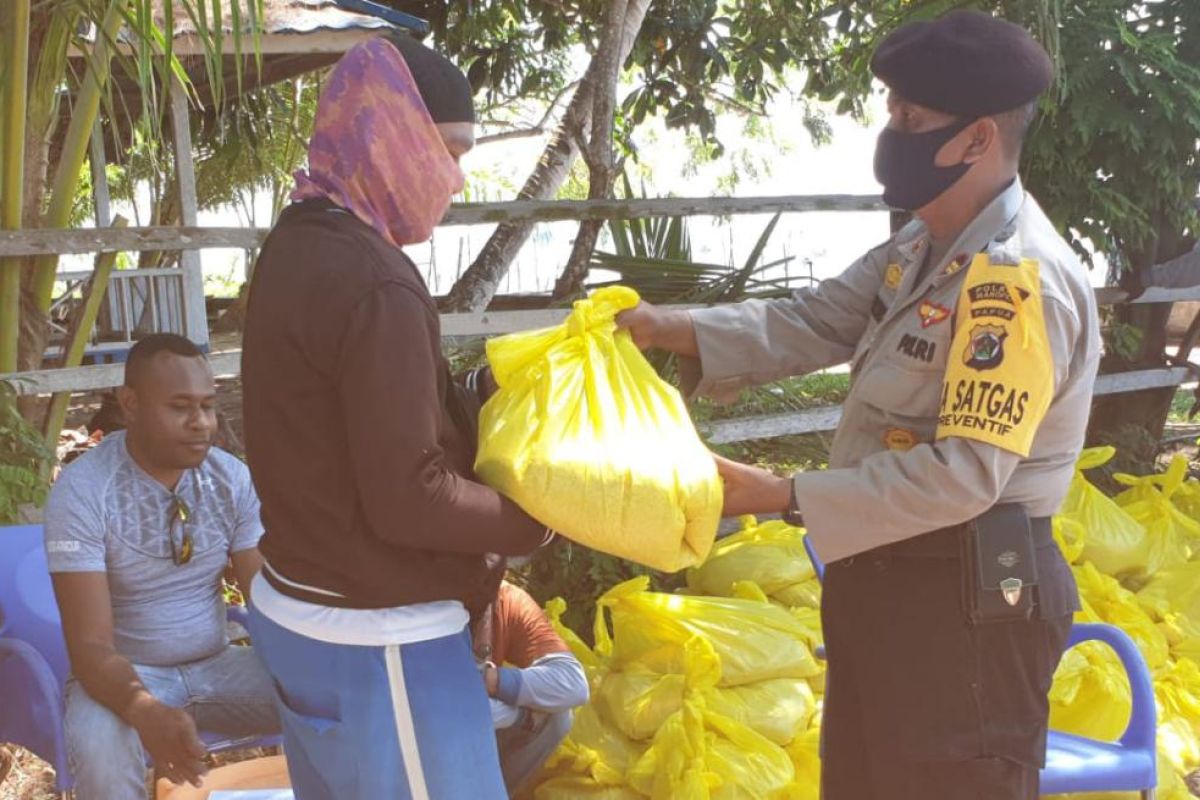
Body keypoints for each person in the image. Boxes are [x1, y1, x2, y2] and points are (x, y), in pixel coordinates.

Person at [620, 11, 1098, 799]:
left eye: (910, 117)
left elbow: (964, 475)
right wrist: (661, 326)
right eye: (890, 110)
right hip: (889, 577)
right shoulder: (923, 243)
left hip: (970, 594)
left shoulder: (1014, 280)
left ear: (977, 139)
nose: (890, 131)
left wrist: (782, 495)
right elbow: (813, 320)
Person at [240, 33, 553, 800]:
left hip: (296, 606)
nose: (453, 178)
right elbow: (410, 494)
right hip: (379, 635)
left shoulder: (296, 240)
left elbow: (339, 421)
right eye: (444, 151)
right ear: (385, 136)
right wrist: (537, 521)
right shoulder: (378, 280)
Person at [44, 333, 279, 799]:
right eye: (180, 407)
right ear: (129, 404)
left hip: (221, 668)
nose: (202, 424)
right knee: (101, 751)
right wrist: (146, 710)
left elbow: (266, 601)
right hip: (123, 678)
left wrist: (321, 666)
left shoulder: (229, 478)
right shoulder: (84, 491)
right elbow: (89, 647)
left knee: (339, 697)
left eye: (208, 406)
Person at [473, 580, 589, 795]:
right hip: (409, 740)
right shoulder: (411, 599)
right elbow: (428, 710)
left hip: (472, 722)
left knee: (556, 716)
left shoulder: (505, 599)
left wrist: (491, 680)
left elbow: (573, 683)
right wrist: (518, 716)